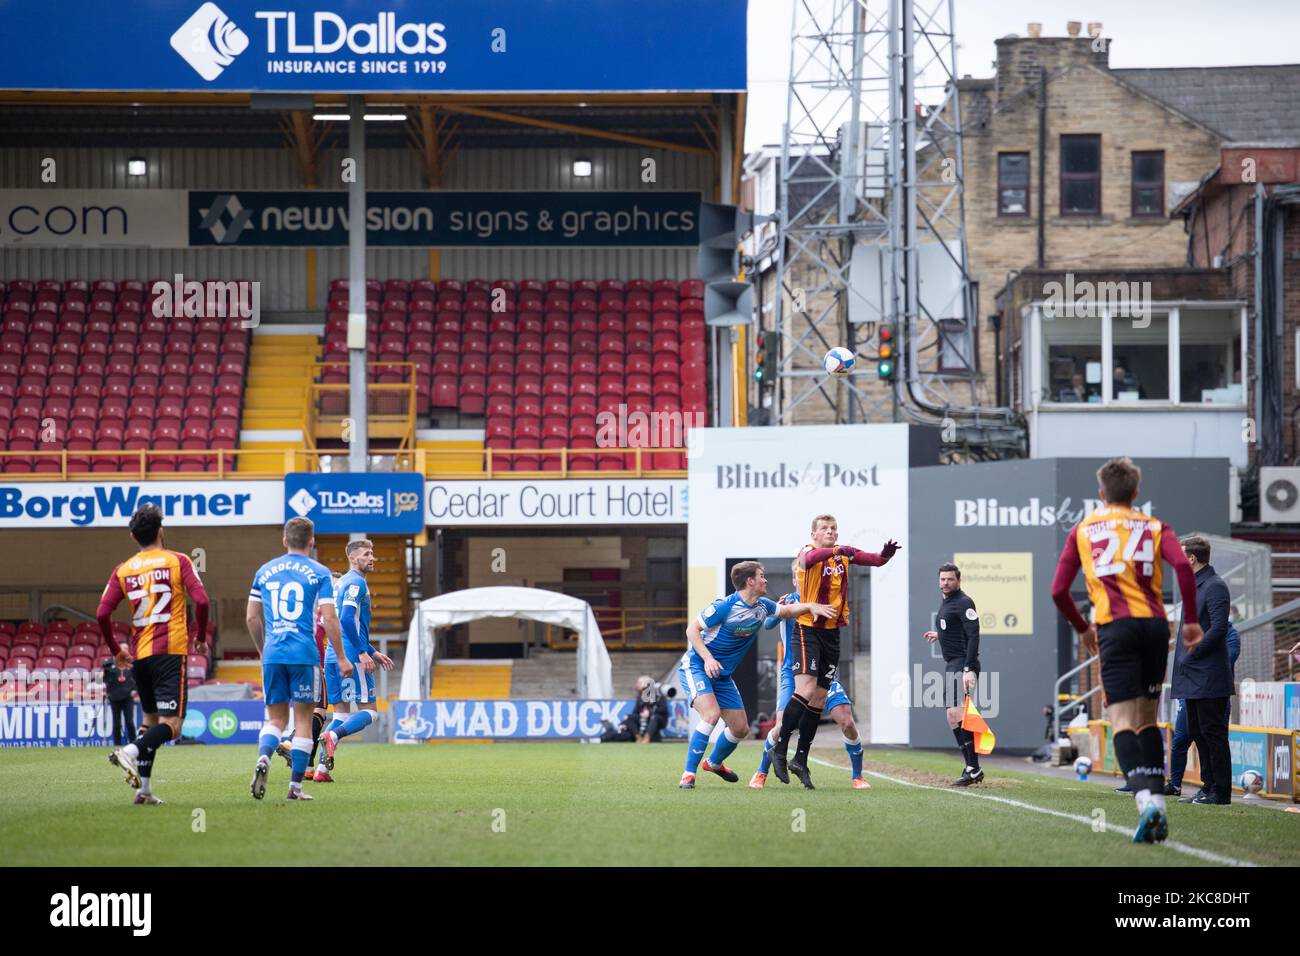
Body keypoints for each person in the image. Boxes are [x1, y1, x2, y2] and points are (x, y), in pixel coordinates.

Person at [1051, 457, 1200, 844]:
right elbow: (1184, 569)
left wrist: (1084, 628)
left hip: (1114, 628)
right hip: (1153, 627)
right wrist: (1191, 620)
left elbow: (1057, 591)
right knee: (1148, 719)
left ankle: (1148, 801)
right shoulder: (1154, 526)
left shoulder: (1084, 530)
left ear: (1101, 494)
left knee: (1120, 720)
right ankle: (1159, 808)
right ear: (1136, 493)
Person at [677, 560, 835, 789]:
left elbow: (788, 611)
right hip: (697, 666)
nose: (765, 580)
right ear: (750, 581)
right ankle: (688, 775)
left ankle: (714, 763)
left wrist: (811, 606)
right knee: (711, 715)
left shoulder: (763, 606)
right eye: (762, 576)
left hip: (722, 675)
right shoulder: (724, 606)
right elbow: (692, 629)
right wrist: (708, 658)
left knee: (740, 729)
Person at [769, 515, 899, 790]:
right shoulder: (807, 552)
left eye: (834, 529)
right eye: (824, 529)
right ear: (814, 534)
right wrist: (838, 549)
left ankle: (800, 758)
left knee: (818, 698)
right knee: (804, 690)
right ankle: (779, 749)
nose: (830, 532)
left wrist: (885, 555)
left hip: (832, 634)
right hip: (807, 630)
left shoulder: (842, 557)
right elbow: (808, 561)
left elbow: (874, 560)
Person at [98, 504, 210, 806]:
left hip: (139, 654)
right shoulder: (178, 561)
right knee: (172, 726)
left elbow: (102, 612)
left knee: (149, 721)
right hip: (170, 652)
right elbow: (201, 600)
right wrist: (199, 638)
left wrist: (115, 650)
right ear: (161, 531)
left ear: (133, 536)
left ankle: (144, 791)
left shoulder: (123, 569)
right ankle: (129, 752)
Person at [247, 517, 350, 801]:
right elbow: (329, 617)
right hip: (305, 654)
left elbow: (252, 617)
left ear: (284, 541)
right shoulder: (320, 572)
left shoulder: (264, 571)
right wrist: (341, 656)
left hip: (274, 652)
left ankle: (264, 759)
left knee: (276, 719)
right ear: (312, 540)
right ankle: (295, 788)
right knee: (304, 721)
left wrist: (262, 649)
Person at [751, 580, 869, 790]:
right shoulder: (789, 601)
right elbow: (768, 624)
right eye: (800, 574)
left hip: (822, 670)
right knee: (780, 726)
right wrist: (781, 609)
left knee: (846, 720)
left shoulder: (825, 601)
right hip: (792, 672)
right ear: (796, 578)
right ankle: (761, 772)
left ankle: (857, 776)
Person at [316, 539, 394, 778]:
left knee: (339, 714)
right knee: (370, 712)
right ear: (352, 558)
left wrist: (371, 650)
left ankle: (321, 769)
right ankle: (333, 735)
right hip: (350, 656)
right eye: (366, 554)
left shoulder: (340, 585)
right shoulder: (356, 582)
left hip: (333, 655)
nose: (371, 558)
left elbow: (346, 622)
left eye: (372, 553)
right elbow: (348, 619)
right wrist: (361, 652)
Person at [1170, 535, 1234, 805]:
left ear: (1192, 559)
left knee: (1213, 732)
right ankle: (1208, 787)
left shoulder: (1215, 586)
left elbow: (1219, 628)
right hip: (1192, 676)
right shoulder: (1193, 586)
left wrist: (1194, 653)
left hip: (1209, 675)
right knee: (1196, 732)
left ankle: (1221, 791)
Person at [923, 563, 984, 785]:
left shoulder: (964, 602)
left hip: (962, 664)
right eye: (942, 579)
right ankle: (972, 766)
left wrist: (968, 669)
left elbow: (974, 635)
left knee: (958, 714)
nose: (945, 583)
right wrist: (940, 635)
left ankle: (973, 768)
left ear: (958, 580)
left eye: (950, 579)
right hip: (952, 664)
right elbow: (955, 627)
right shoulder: (948, 601)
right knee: (952, 716)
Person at [601, 676, 670, 742]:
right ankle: (638, 737)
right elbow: (635, 713)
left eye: (639, 683)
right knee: (628, 717)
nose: (636, 685)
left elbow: (663, 710)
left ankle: (647, 737)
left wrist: (649, 713)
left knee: (654, 717)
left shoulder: (658, 695)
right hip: (642, 720)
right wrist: (624, 723)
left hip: (656, 719)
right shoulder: (641, 697)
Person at [103, 655, 136, 747]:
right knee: (116, 722)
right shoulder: (110, 667)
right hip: (114, 698)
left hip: (128, 698)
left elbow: (137, 681)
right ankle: (117, 744)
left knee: (129, 721)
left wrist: (134, 690)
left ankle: (133, 743)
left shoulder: (131, 667)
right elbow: (105, 679)